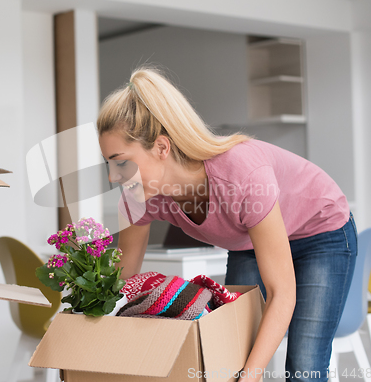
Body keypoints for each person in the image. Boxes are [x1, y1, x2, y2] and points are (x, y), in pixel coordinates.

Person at [96, 65, 357, 382]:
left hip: (321, 232)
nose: (114, 177)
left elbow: (282, 293)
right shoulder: (138, 194)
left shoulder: (241, 175)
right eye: (110, 164)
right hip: (250, 241)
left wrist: (251, 375)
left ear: (162, 147)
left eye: (121, 161)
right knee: (229, 353)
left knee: (304, 364)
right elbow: (123, 281)